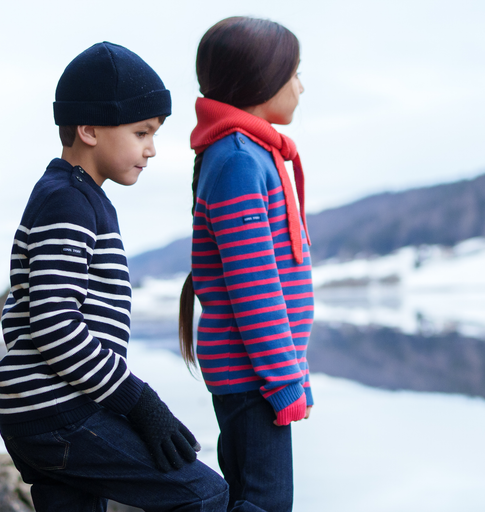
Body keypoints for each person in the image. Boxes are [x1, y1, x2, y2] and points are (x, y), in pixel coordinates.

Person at [0, 42, 228, 511]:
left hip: (47, 412)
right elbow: (55, 326)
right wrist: (141, 404)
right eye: (142, 132)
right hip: (58, 415)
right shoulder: (68, 202)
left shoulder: (75, 197)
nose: (152, 149)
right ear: (89, 129)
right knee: (204, 495)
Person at [178, 16, 314, 511]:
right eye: (294, 72)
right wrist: (282, 381)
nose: (301, 85)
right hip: (253, 377)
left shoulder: (251, 152)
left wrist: (294, 372)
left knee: (252, 500)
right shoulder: (238, 159)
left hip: (259, 373)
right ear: (262, 79)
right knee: (265, 505)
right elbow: (253, 288)